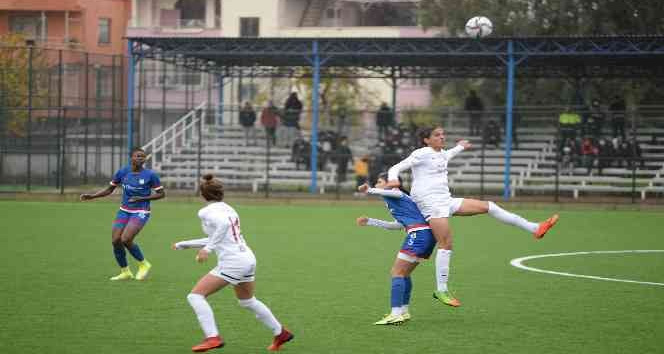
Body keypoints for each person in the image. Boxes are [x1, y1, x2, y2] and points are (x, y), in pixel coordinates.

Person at [387, 126, 558, 307]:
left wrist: (460, 147)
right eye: (437, 135)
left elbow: (448, 155)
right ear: (426, 140)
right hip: (430, 204)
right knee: (446, 243)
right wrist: (393, 179)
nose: (442, 137)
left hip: (445, 200)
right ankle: (441, 289)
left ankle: (535, 228)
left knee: (489, 206)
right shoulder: (421, 153)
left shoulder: (441, 153)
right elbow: (396, 167)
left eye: (443, 134)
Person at [172, 174, 293, 352]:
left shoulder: (205, 212)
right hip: (246, 258)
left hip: (233, 262)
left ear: (202, 195)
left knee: (195, 296)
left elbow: (222, 228)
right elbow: (220, 235)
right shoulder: (229, 209)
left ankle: (212, 338)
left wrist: (208, 249)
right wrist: (186, 244)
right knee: (247, 301)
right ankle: (280, 332)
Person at [356, 173, 437, 325]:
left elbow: (394, 191)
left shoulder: (395, 193)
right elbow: (396, 226)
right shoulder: (394, 200)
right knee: (404, 273)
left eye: (379, 181)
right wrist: (370, 221)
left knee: (397, 272)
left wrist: (369, 190)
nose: (377, 183)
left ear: (392, 183)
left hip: (418, 235)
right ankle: (403, 311)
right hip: (425, 235)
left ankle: (395, 313)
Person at [79, 147, 165, 280]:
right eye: (138, 156)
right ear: (131, 158)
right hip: (124, 211)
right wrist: (92, 196)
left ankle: (144, 264)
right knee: (115, 241)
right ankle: (125, 272)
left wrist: (142, 198)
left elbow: (161, 194)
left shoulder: (150, 175)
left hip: (141, 211)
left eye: (143, 156)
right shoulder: (123, 172)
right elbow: (109, 190)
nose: (141, 158)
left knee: (126, 239)